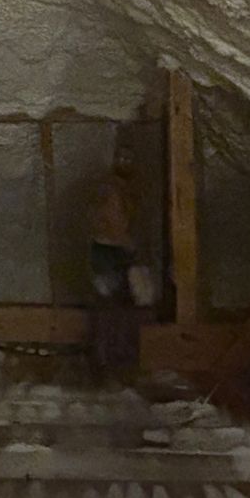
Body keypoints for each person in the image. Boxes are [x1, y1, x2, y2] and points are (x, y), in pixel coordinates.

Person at [89, 147, 146, 371]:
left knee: (118, 307)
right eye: (122, 159)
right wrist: (126, 243)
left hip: (113, 252)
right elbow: (110, 221)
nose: (126, 163)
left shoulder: (123, 190)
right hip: (109, 252)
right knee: (112, 307)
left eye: (128, 159)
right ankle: (109, 362)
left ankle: (114, 361)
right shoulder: (112, 190)